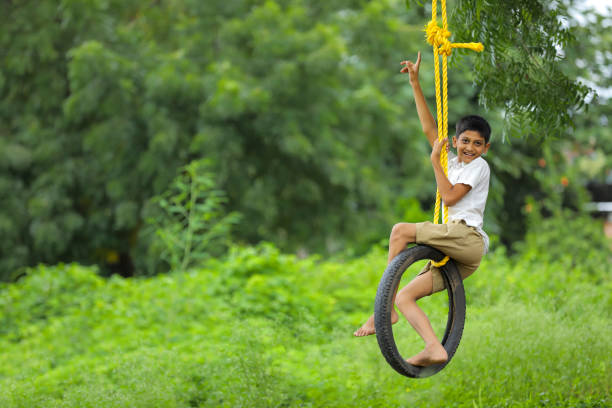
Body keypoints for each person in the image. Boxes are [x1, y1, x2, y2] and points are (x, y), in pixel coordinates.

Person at [353, 51, 492, 367]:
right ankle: (433, 347)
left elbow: (450, 198)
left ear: (485, 148)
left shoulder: (478, 167)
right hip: (460, 257)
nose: (470, 148)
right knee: (406, 297)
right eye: (465, 141)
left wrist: (434, 163)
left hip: (466, 239)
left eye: (477, 143)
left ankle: (384, 309)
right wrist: (415, 82)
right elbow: (431, 131)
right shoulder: (454, 162)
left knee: (400, 231)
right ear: (456, 141)